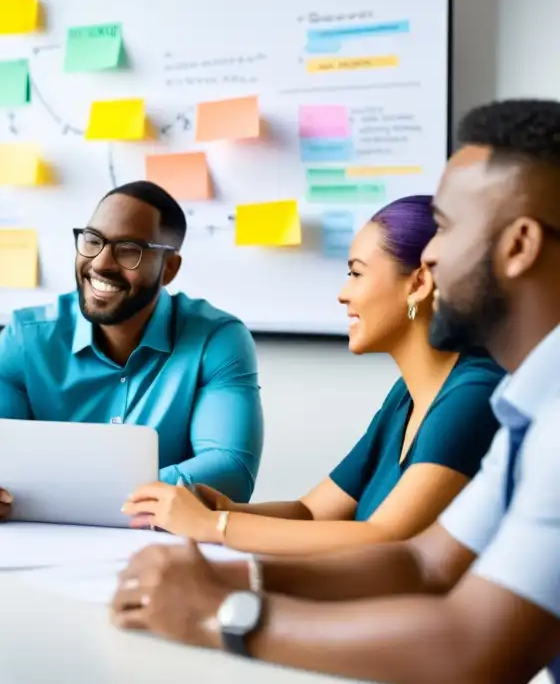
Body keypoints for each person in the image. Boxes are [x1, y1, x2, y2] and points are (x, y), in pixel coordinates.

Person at [110, 98, 560, 683]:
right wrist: (233, 576)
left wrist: (217, 612)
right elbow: (423, 564)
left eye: (447, 227)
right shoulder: (529, 403)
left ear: (519, 245)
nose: (430, 254)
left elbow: (473, 648)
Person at [121, 195, 503, 556]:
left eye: (356, 273)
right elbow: (312, 511)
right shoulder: (408, 395)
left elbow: (386, 538)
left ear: (419, 284)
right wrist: (226, 509)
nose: (342, 294)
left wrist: (214, 525)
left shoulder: (473, 395)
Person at [0, 180, 264, 526]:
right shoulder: (27, 337)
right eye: (92, 240)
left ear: (169, 268)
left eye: (128, 249)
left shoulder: (217, 339)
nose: (101, 264)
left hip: (161, 551)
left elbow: (231, 470)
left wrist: (89, 496)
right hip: (40, 547)